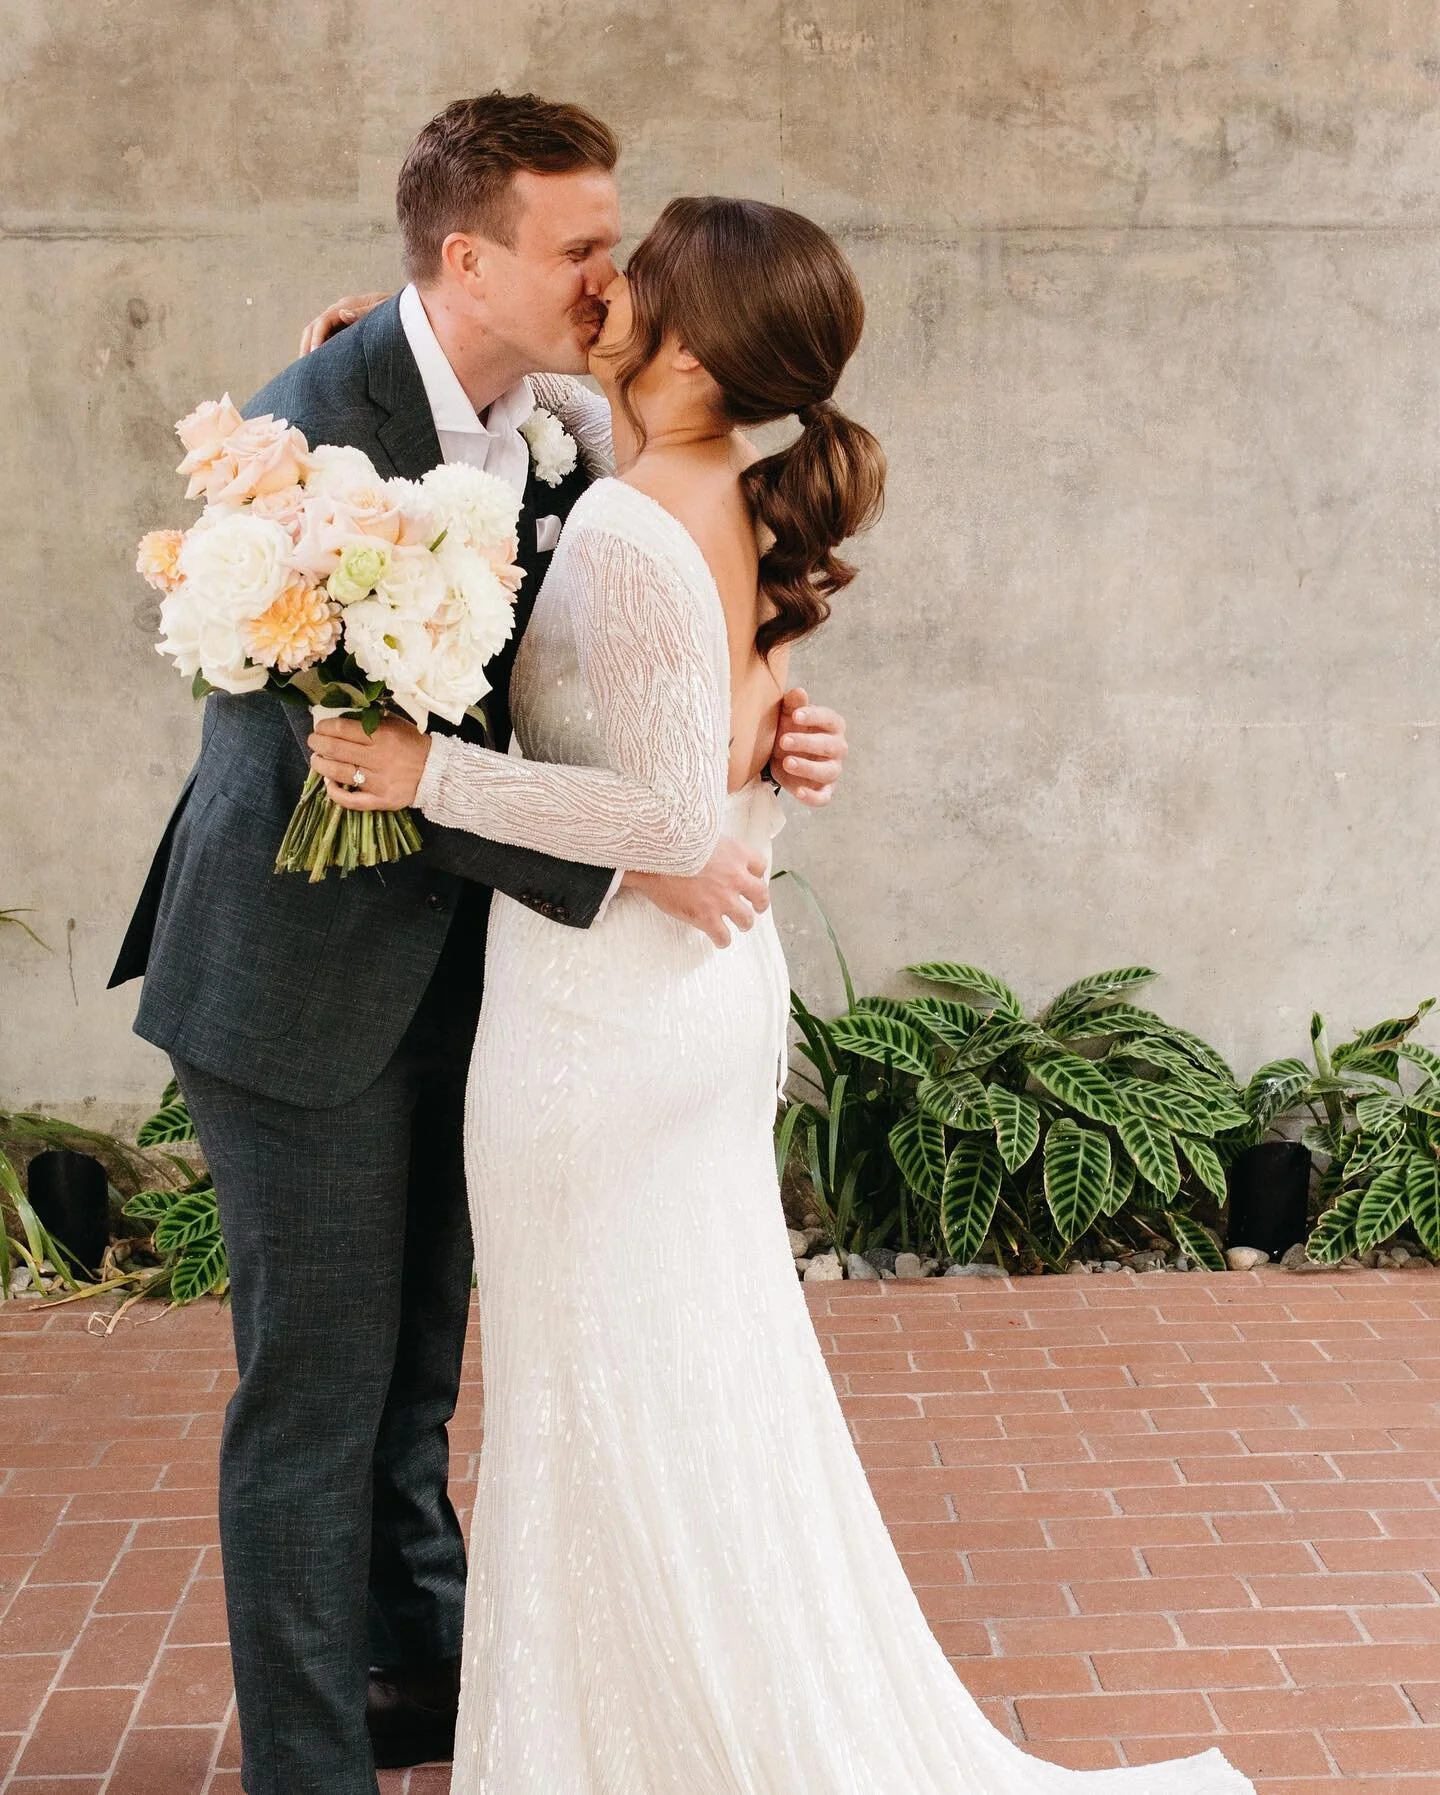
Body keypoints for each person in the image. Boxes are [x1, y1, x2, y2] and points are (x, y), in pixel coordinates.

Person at [313, 197, 1254, 1793]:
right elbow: (730, 763)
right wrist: (377, 341)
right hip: (678, 1005)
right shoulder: (723, 489)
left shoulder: (630, 527)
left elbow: (670, 814)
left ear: (689, 345)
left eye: (641, 271)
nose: (609, 285)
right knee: (683, 1385)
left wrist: (429, 774)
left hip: (603, 1025)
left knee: (599, 1394)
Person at [108, 95, 850, 1795]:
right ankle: (310, 1767)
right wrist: (655, 852)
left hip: (474, 977)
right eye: (580, 246)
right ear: (467, 257)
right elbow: (365, 769)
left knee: (415, 1380)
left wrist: (766, 728)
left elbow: (629, 662)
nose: (609, 274)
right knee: (314, 1398)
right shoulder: (309, 447)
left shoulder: (563, 421)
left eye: (613, 241)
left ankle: (425, 1681)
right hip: (298, 983)